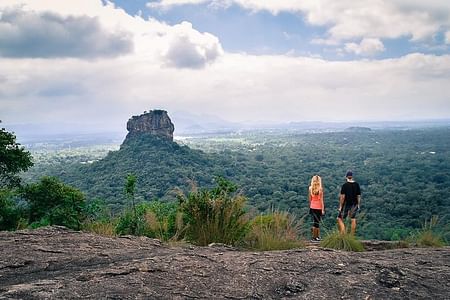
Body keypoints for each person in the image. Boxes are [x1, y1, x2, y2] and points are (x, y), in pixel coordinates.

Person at [337, 170, 361, 235]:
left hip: (346, 204)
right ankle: (351, 235)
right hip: (354, 204)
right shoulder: (356, 184)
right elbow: (358, 196)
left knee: (339, 218)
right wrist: (358, 204)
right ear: (352, 177)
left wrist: (340, 206)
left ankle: (343, 232)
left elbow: (342, 197)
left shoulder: (345, 185)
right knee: (353, 219)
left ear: (346, 177)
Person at [309, 175, 325, 241]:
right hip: (318, 207)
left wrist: (311, 205)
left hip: (312, 206)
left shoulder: (310, 188)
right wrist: (323, 209)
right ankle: (315, 237)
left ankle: (315, 236)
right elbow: (321, 200)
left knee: (315, 222)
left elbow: (310, 199)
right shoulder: (320, 189)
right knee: (317, 222)